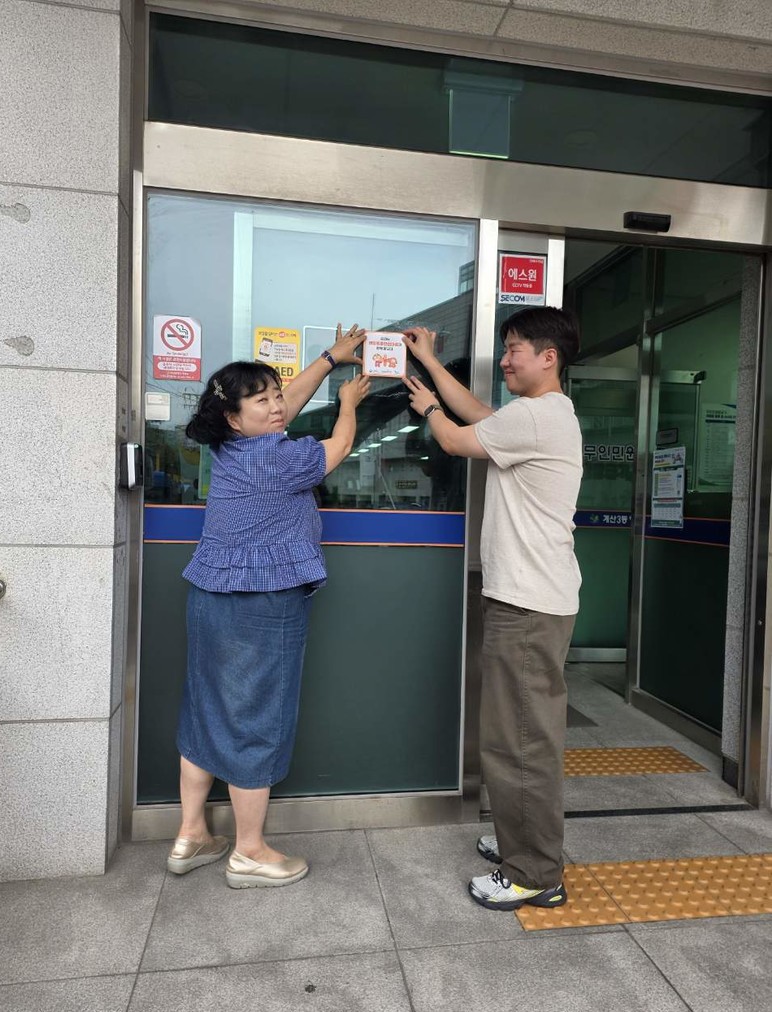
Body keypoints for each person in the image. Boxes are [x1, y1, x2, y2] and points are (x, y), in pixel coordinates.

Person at [167, 324, 368, 889]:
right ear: (235, 417)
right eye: (263, 400)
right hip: (262, 604)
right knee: (255, 718)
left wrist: (328, 358)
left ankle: (191, 835)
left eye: (276, 394)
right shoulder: (280, 458)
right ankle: (250, 851)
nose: (278, 406)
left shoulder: (229, 445)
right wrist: (348, 402)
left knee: (205, 710)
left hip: (209, 597)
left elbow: (281, 410)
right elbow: (338, 447)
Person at [402, 308, 582, 911]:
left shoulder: (535, 415)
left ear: (548, 357)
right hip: (532, 598)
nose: (504, 360)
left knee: (520, 742)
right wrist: (430, 364)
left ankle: (534, 871)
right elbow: (479, 416)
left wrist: (427, 408)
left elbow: (457, 438)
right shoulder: (539, 415)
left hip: (528, 604)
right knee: (517, 735)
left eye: (513, 350)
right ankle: (520, 839)